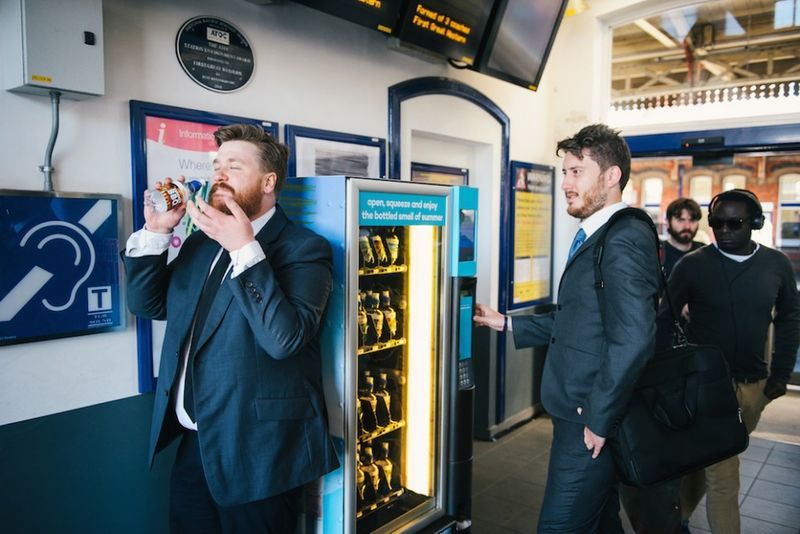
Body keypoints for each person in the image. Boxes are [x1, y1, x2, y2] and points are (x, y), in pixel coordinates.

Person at [123, 124, 338, 532]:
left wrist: (244, 249)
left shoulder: (303, 248)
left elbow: (283, 339)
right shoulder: (201, 242)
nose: (219, 175)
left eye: (234, 167)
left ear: (268, 181)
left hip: (261, 453)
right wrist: (158, 230)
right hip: (197, 444)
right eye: (217, 165)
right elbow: (147, 304)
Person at [474, 124, 661, 532]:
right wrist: (506, 322)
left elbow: (634, 336)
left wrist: (598, 417)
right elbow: (581, 322)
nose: (566, 184)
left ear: (611, 177)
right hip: (583, 414)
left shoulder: (623, 238)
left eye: (577, 172)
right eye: (565, 173)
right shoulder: (598, 235)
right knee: (599, 521)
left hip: (588, 419)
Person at [656, 188, 800, 533]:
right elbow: (663, 320)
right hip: (705, 384)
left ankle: (677, 520)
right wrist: (666, 380)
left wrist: (779, 375)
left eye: (734, 223)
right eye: (717, 222)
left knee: (705, 459)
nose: (724, 230)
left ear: (755, 223)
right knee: (723, 471)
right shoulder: (693, 265)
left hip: (754, 386)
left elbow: (790, 318)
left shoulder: (776, 264)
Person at [662, 197, 704, 278]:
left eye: (692, 220)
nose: (687, 226)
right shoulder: (657, 254)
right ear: (667, 222)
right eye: (681, 220)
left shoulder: (706, 254)